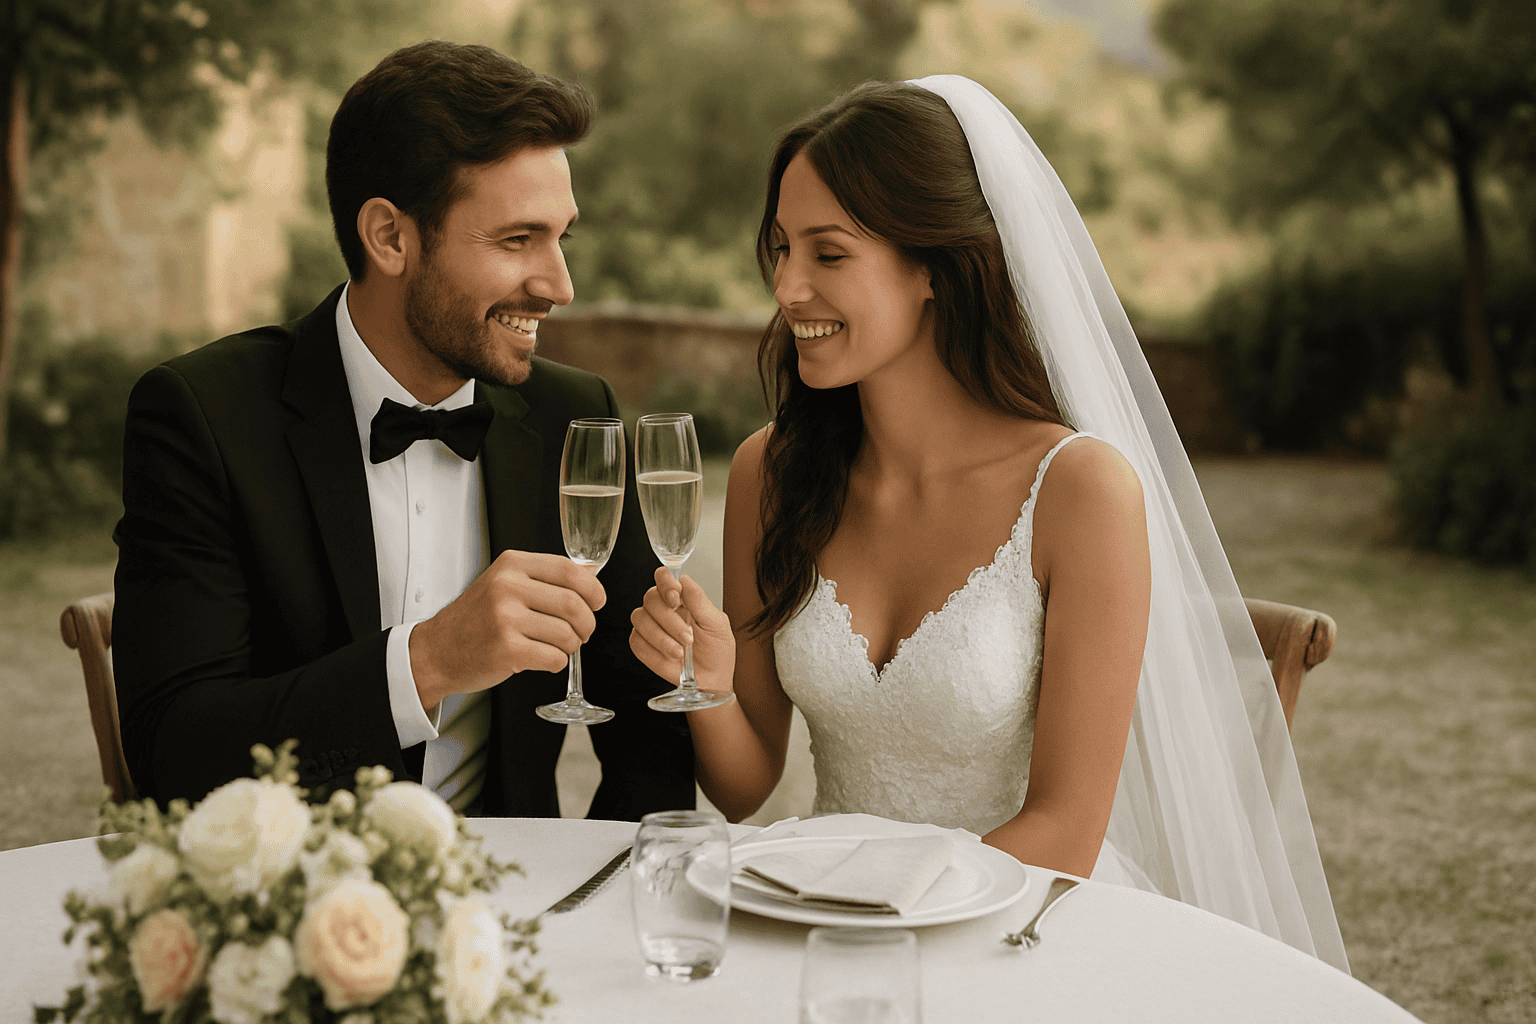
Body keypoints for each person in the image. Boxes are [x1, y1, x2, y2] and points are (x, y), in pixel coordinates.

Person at [630, 75, 1350, 970]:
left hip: (1021, 928)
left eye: (828, 253)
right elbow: (744, 787)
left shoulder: (1080, 491)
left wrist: (872, 929)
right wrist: (710, 683)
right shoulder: (769, 473)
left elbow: (1067, 829)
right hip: (827, 926)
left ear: (933, 266)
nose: (787, 287)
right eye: (780, 249)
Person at [112, 41, 694, 819]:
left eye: (562, 238)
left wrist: (599, 907)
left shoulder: (571, 418)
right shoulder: (203, 416)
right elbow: (174, 751)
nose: (560, 284)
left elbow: (645, 737)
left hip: (513, 918)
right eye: (518, 239)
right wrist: (427, 661)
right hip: (291, 909)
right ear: (390, 237)